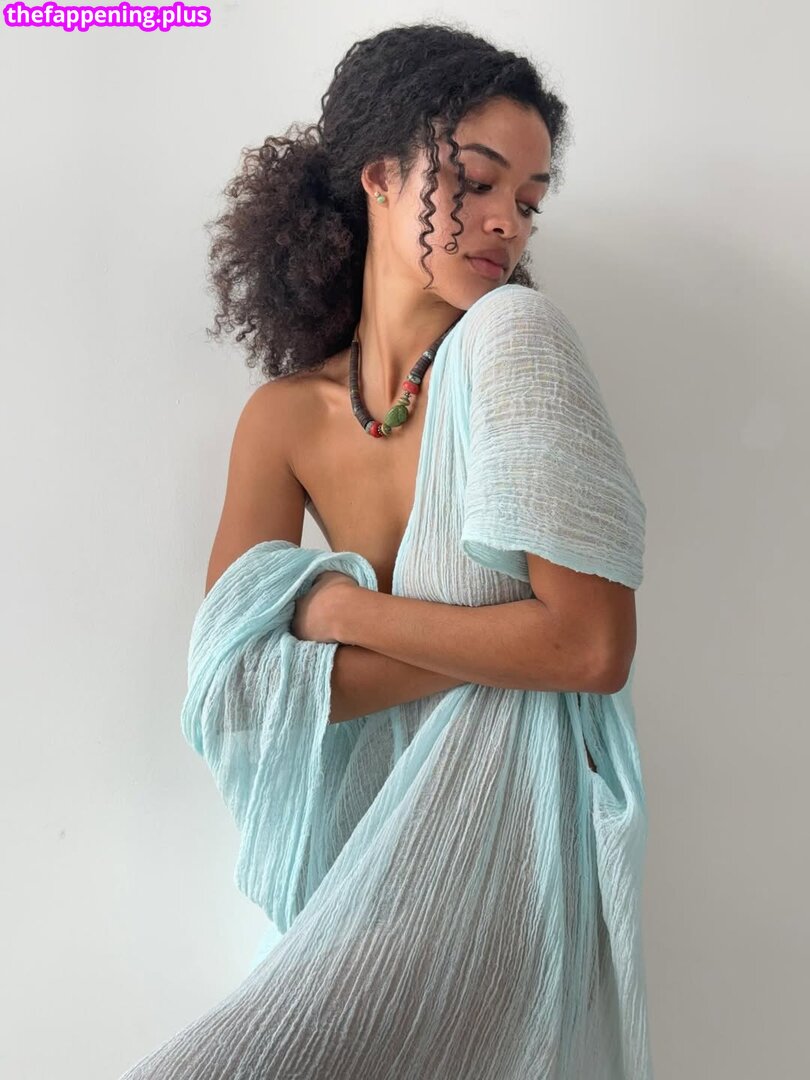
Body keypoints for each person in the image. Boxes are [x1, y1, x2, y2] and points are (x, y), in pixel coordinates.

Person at [120, 21, 653, 1080]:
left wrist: (338, 611)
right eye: (476, 181)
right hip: (366, 853)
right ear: (378, 175)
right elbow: (233, 695)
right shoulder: (285, 418)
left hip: (504, 848)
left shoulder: (514, 339)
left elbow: (591, 648)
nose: (506, 223)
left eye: (530, 201)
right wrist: (504, 643)